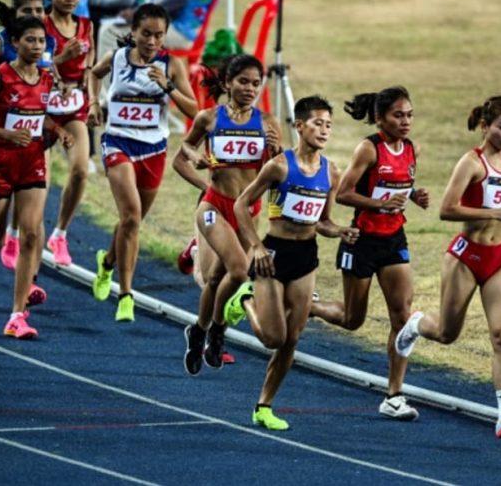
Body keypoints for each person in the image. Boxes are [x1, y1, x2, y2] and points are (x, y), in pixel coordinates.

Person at [394, 95, 501, 437]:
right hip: (466, 257)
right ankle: (418, 324)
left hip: (500, 258)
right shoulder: (471, 162)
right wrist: (491, 214)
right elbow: (447, 209)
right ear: (485, 126)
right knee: (448, 334)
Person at [221, 95, 358, 430]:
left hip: (306, 258)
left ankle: (264, 406)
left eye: (329, 125)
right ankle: (245, 300)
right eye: (317, 123)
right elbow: (241, 205)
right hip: (273, 255)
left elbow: (322, 221)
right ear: (299, 126)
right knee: (273, 338)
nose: (324, 130)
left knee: (292, 340)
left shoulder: (331, 172)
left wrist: (339, 231)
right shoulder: (280, 166)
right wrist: (255, 248)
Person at [310, 86, 429, 421]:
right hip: (361, 240)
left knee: (402, 317)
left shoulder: (411, 149)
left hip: (394, 239)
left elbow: (399, 187)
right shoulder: (368, 149)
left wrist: (414, 196)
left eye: (409, 115)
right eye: (398, 115)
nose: (406, 122)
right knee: (352, 320)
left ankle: (394, 395)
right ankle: (311, 306)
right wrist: (379, 204)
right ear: (380, 119)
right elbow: (345, 193)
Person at [87, 3, 197, 322]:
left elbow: (194, 112)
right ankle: (126, 294)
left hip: (153, 150)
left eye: (158, 35)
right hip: (118, 143)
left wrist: (169, 87)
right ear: (133, 32)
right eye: (146, 34)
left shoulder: (171, 65)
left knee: (130, 222)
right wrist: (94, 102)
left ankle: (107, 262)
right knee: (131, 217)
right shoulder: (117, 58)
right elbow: (93, 74)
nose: (151, 41)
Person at [181, 54, 282, 373]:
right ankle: (218, 330)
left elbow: (278, 171)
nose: (250, 88)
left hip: (247, 211)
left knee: (215, 278)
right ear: (227, 83)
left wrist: (276, 152)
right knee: (238, 270)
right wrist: (198, 163)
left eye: (256, 83)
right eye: (243, 81)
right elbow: (181, 156)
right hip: (214, 206)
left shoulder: (267, 123)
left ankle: (198, 331)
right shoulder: (209, 118)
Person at [0, 16, 73, 338]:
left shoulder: (46, 79)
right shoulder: (0, 78)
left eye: (41, 41)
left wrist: (58, 130)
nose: (36, 47)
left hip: (31, 161)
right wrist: (5, 134)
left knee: (30, 235)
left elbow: (38, 118)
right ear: (14, 43)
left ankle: (17, 315)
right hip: (0, 160)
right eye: (29, 40)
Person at [0, 0, 58, 274]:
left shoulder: (46, 45)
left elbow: (48, 91)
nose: (35, 15)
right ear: (16, 14)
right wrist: (8, 82)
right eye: (28, 11)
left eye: (39, 10)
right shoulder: (1, 45)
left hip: (35, 143)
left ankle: (30, 281)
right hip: (0, 143)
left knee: (33, 221)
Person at [43, 0, 95, 266]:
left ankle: (59, 233)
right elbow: (35, 62)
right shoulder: (40, 25)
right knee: (33, 181)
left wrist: (91, 89)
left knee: (79, 170)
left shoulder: (86, 25)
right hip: (41, 107)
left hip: (74, 105)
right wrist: (61, 59)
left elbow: (89, 61)